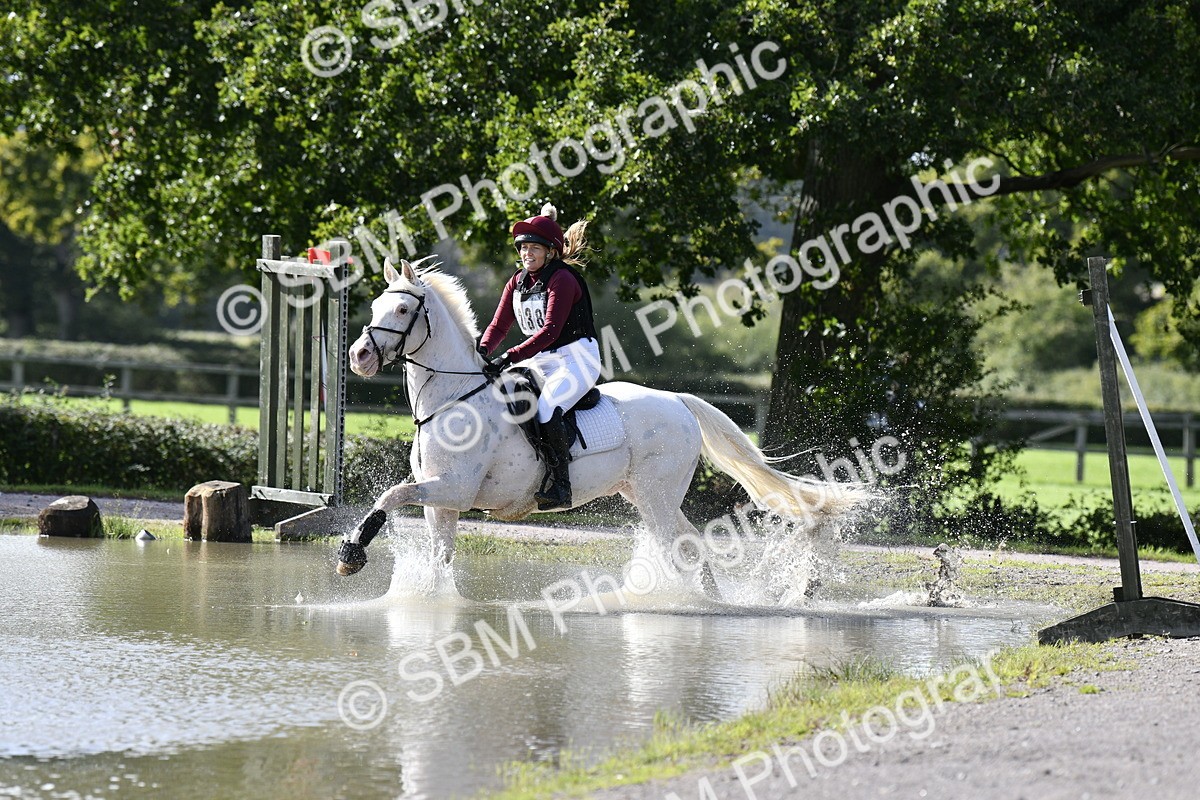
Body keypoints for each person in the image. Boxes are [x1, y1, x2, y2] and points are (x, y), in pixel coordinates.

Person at [477, 203, 600, 511]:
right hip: (541, 359)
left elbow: (550, 331)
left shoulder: (562, 279)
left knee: (545, 408)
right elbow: (499, 325)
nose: (526, 254)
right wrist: (481, 351)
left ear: (551, 252)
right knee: (498, 395)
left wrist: (508, 356)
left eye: (534, 248)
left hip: (577, 358)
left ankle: (561, 485)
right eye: (523, 248)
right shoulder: (517, 281)